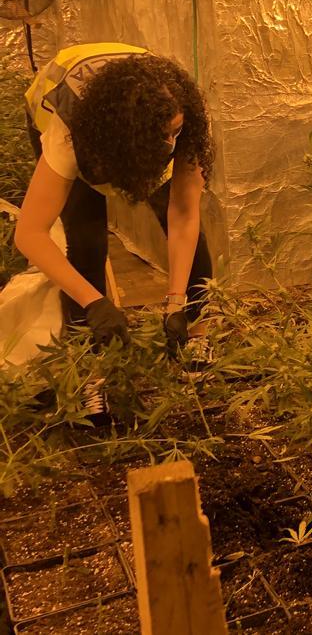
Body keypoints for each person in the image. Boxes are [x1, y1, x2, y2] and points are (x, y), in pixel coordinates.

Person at [14, 43, 216, 416]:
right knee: (86, 239)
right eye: (163, 137)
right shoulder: (70, 135)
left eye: (176, 132)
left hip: (129, 118)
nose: (172, 144)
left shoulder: (182, 115)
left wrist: (176, 301)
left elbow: (185, 215)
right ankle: (91, 372)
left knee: (184, 229)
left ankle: (195, 334)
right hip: (66, 106)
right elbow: (29, 234)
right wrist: (96, 303)